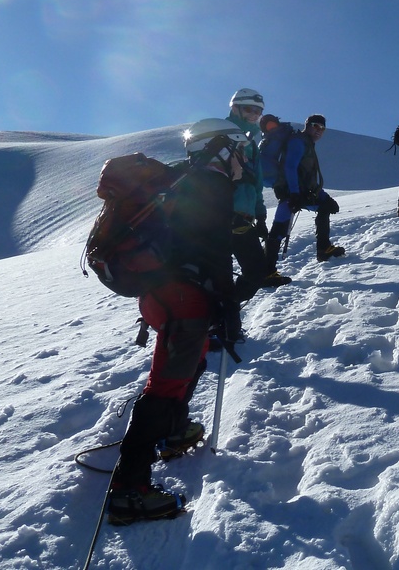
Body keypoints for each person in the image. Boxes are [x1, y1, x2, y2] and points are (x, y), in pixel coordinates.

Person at [107, 118, 245, 524]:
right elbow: (216, 252)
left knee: (191, 363)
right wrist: (228, 306)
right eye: (238, 150)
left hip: (165, 296)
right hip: (183, 300)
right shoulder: (212, 185)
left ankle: (174, 430)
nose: (242, 159)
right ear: (221, 149)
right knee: (165, 386)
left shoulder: (183, 179)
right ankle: (128, 490)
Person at [225, 88, 289, 300]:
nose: (254, 115)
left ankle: (224, 312)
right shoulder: (221, 134)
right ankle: (221, 316)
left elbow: (256, 183)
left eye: (257, 111)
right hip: (220, 216)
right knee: (220, 276)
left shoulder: (251, 142)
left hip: (243, 218)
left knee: (257, 272)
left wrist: (260, 215)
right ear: (235, 108)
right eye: (249, 109)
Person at [266, 114, 345, 263]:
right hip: (290, 192)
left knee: (326, 206)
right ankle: (266, 269)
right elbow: (290, 167)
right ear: (307, 126)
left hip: (302, 191)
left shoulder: (306, 143)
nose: (319, 130)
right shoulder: (298, 141)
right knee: (279, 228)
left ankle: (324, 249)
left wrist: (322, 195)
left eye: (322, 128)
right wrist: (294, 194)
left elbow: (306, 176)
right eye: (316, 126)